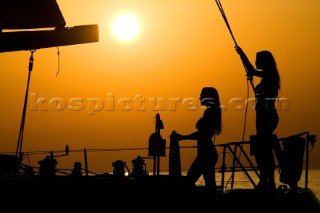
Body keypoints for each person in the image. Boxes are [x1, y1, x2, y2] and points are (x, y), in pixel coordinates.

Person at [235, 46, 281, 193]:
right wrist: (241, 55)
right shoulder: (269, 75)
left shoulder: (270, 76)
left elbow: (253, 71)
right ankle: (266, 180)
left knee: (264, 150)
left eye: (257, 60)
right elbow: (253, 71)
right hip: (262, 116)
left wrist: (242, 54)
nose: (255, 62)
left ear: (264, 62)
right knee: (262, 150)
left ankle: (268, 181)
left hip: (267, 116)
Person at [171, 87, 222, 193]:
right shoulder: (210, 112)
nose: (199, 98)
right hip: (206, 154)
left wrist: (183, 137)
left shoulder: (210, 113)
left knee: (189, 181)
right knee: (209, 184)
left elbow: (202, 134)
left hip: (206, 154)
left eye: (201, 95)